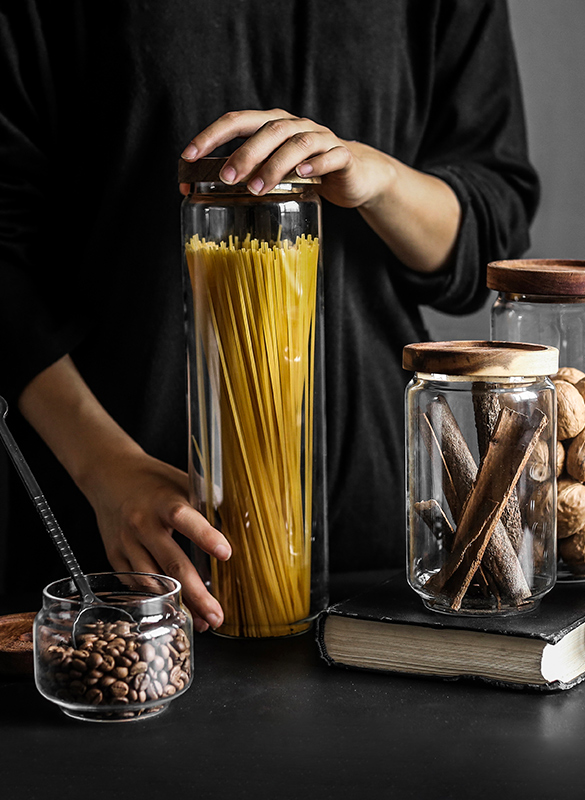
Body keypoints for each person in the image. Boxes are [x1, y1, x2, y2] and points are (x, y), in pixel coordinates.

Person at [0, 0, 539, 630]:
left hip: (381, 552)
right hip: (121, 549)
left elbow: (490, 232)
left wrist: (381, 180)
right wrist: (105, 468)